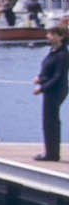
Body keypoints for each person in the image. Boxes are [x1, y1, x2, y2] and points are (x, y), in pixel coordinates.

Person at [33, 25, 68, 161]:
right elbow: (48, 70)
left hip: (56, 90)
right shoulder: (53, 51)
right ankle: (50, 152)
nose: (48, 36)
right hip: (50, 90)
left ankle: (52, 154)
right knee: (48, 121)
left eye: (52, 34)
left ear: (61, 37)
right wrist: (40, 78)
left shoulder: (63, 55)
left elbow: (58, 77)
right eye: (48, 34)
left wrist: (42, 88)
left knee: (51, 122)